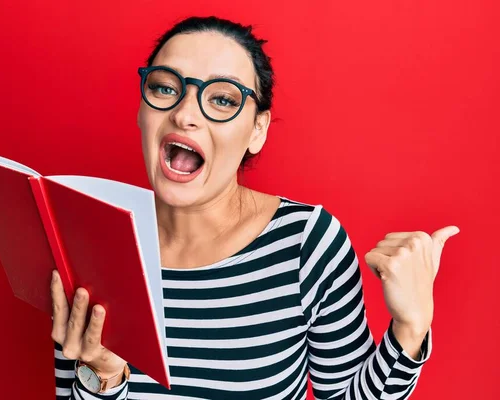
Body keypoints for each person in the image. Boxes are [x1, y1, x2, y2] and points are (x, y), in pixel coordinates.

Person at [51, 16, 459, 400]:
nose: (186, 113)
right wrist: (102, 375)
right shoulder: (88, 245)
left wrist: (410, 329)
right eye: (165, 87)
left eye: (223, 99)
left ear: (257, 131)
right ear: (142, 111)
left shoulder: (306, 244)